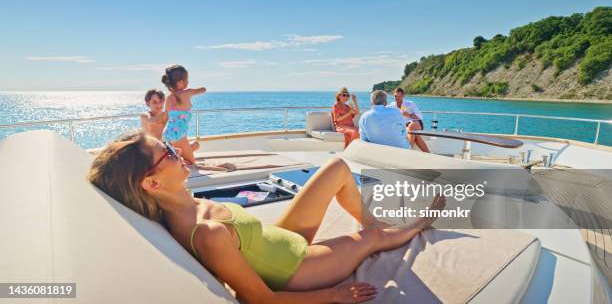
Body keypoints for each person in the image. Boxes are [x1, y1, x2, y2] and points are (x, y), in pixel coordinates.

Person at [88, 131, 446, 304]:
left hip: (277, 240)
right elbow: (261, 300)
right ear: (151, 182)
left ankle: (370, 220)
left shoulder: (182, 201)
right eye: (165, 152)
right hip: (299, 268)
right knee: (371, 242)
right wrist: (333, 296)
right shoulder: (205, 232)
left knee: (336, 167)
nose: (174, 150)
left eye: (166, 143)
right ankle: (412, 226)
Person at [387, 88, 430, 152]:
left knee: (411, 126)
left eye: (399, 96)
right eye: (396, 96)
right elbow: (383, 109)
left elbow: (420, 117)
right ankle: (428, 154)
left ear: (403, 96)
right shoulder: (392, 105)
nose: (397, 98)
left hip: (417, 123)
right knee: (416, 137)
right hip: (405, 126)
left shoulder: (410, 104)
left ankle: (409, 151)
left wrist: (409, 115)